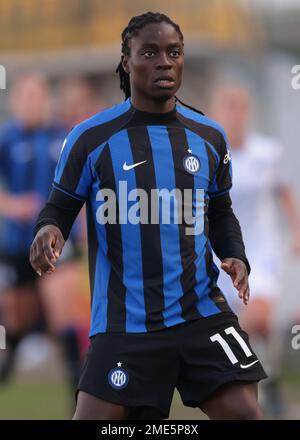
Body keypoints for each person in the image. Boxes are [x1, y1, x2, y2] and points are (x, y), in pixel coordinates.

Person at [30, 12, 267, 420]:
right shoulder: (90, 139)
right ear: (127, 61)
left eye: (173, 52)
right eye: (150, 53)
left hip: (199, 313)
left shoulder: (210, 137)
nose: (164, 62)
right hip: (125, 322)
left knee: (244, 413)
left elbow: (221, 210)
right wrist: (49, 230)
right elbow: (59, 206)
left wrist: (237, 257)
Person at [209, 84, 300, 416]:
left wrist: (296, 230)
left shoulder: (267, 152)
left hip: (261, 253)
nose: (234, 115)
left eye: (240, 107)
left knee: (255, 319)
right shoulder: (208, 155)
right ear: (217, 112)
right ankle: (267, 380)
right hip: (220, 258)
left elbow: (284, 193)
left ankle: (252, 383)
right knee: (239, 329)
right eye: (228, 107)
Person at [0, 72, 82, 391]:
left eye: (38, 95)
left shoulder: (65, 136)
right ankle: (12, 355)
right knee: (17, 321)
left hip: (58, 243)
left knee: (65, 317)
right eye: (25, 95)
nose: (32, 102)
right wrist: (11, 205)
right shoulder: (7, 138)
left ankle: (81, 402)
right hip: (17, 244)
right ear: (15, 101)